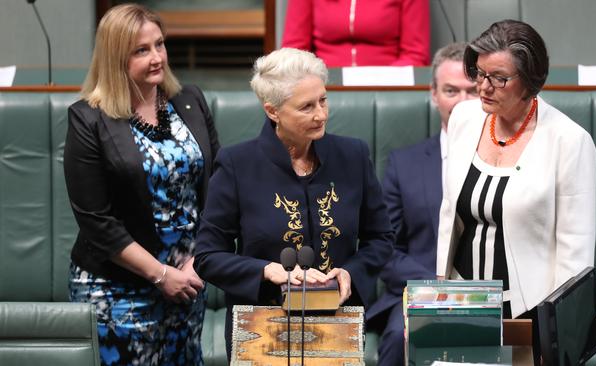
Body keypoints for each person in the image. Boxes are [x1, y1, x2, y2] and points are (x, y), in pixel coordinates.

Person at [193, 47, 394, 359]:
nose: (321, 114)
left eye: (323, 100)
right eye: (306, 107)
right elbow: (207, 256)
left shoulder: (353, 155)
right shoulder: (237, 164)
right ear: (273, 111)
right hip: (262, 328)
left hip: (338, 323)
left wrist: (351, 272)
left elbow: (381, 238)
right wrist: (266, 270)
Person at [64, 4, 219, 365]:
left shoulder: (189, 101)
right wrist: (160, 275)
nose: (157, 57)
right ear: (116, 57)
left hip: (188, 283)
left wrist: (200, 261)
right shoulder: (88, 120)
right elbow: (96, 221)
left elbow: (220, 187)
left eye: (160, 45)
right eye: (141, 50)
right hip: (118, 290)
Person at [437, 20, 596, 322]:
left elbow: (575, 257)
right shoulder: (464, 118)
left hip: (528, 311)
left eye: (498, 78)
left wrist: (555, 330)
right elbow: (449, 219)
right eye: (480, 73)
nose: (483, 87)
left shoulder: (570, 142)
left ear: (529, 81)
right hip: (459, 300)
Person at [365, 42, 478, 366]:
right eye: (451, 91)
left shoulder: (510, 162)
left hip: (493, 294)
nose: (461, 102)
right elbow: (384, 249)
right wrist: (436, 288)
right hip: (418, 293)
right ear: (433, 94)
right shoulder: (405, 164)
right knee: (397, 339)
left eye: (471, 91)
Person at [282, 0, 430, 67]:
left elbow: (415, 55)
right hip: (321, 87)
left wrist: (384, 80)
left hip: (388, 89)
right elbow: (294, 52)